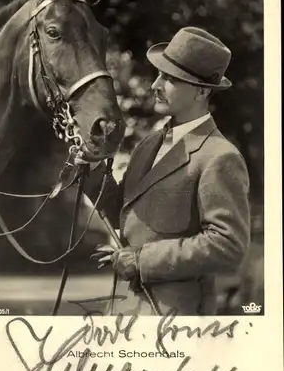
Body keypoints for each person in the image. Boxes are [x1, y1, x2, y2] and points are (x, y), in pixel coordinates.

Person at [82, 26, 251, 316]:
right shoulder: (148, 145)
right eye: (159, 75)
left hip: (176, 319)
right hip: (124, 313)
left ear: (201, 91)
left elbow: (228, 244)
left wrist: (142, 260)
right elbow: (122, 210)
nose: (155, 85)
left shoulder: (220, 156)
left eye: (170, 79)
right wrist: (92, 163)